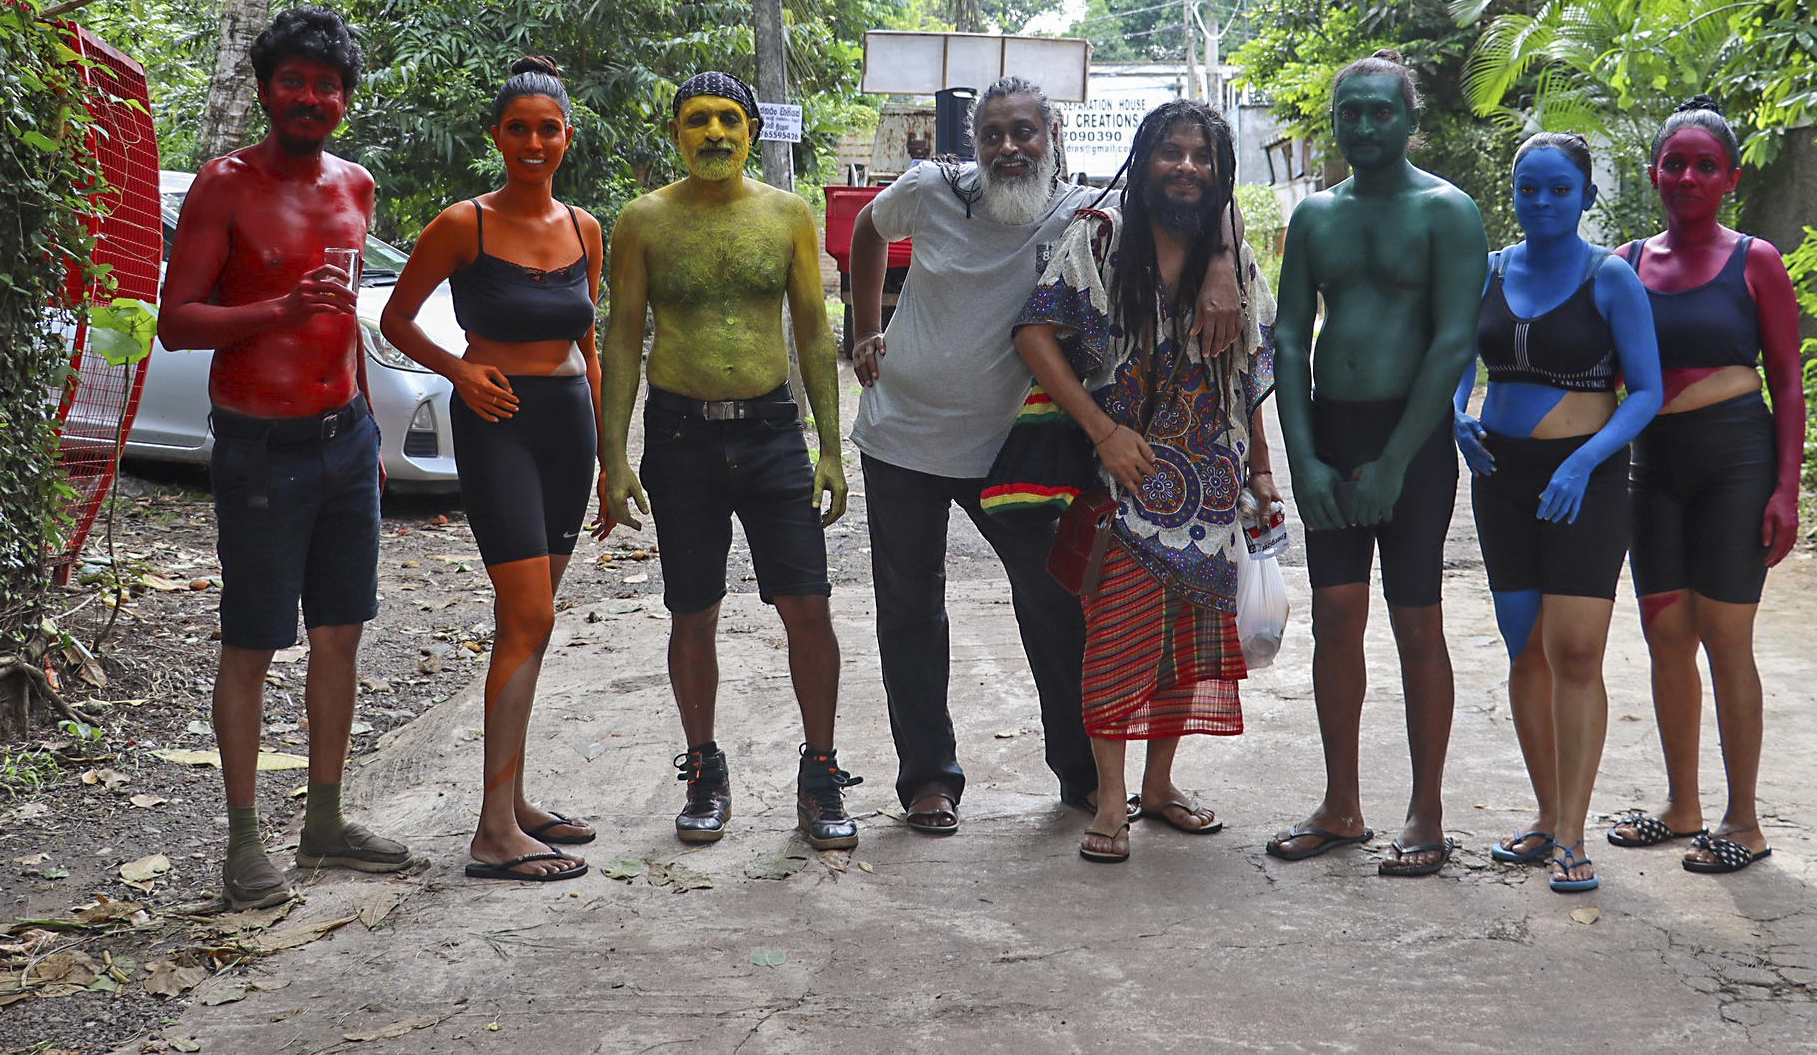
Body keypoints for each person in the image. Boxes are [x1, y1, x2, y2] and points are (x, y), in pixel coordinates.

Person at [847, 77, 1244, 835]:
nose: (1009, 147)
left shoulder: (1083, 210)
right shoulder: (929, 188)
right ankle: (929, 781)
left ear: (1051, 136)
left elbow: (1193, 183)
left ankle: (1084, 778)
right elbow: (868, 229)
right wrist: (866, 325)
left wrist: (1222, 257)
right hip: (903, 438)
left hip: (1016, 450)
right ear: (973, 142)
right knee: (909, 612)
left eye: (1024, 132)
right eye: (993, 134)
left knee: (1058, 604)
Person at [157, 8, 412, 909]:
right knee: (254, 641)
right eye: (295, 82)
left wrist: (370, 428)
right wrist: (275, 311)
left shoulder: (357, 184)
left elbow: (342, 324)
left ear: (345, 99)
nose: (312, 98)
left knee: (340, 635)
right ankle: (242, 843)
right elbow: (176, 321)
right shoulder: (223, 188)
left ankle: (327, 820)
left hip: (345, 438)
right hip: (259, 445)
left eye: (328, 85)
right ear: (267, 89)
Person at [599, 72, 859, 850]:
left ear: (751, 130)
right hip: (680, 437)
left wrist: (830, 448)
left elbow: (814, 331)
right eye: (696, 121)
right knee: (692, 610)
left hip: (772, 432)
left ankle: (819, 774)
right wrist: (614, 459)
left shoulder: (785, 216)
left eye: (727, 121)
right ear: (675, 132)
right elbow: (620, 337)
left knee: (807, 605)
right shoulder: (643, 221)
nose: (713, 133)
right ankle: (704, 770)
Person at [1014, 99, 1279, 864]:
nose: (1187, 167)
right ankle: (1108, 797)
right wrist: (1103, 430)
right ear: (1145, 158)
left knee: (1187, 647)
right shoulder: (1099, 238)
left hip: (1214, 485)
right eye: (1172, 152)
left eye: (1203, 156)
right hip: (1125, 482)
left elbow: (1248, 369)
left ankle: (1159, 787)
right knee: (1116, 643)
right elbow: (1035, 335)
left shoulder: (1232, 255)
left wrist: (1260, 469)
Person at [380, 57, 607, 883]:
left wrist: (615, 457)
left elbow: (588, 339)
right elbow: (396, 319)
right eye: (520, 128)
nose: (535, 142)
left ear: (566, 137)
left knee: (535, 621)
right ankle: (491, 831)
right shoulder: (462, 224)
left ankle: (512, 802)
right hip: (497, 425)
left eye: (549, 128)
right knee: (526, 612)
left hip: (569, 426)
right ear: (497, 137)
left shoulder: (586, 228)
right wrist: (458, 369)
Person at [1268, 49, 1489, 877]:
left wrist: (1397, 460)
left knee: (1416, 621)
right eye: (1349, 112)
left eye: (1379, 111)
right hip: (1332, 431)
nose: (1363, 125)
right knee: (1335, 620)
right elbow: (1289, 338)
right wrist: (1306, 459)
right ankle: (1341, 803)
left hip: (1415, 439)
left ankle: (1426, 811)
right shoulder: (1316, 218)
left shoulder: (1447, 212)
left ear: (1408, 118)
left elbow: (1452, 341)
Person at [1451, 133, 1662, 894]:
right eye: (1527, 189)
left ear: (1587, 198)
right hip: (1502, 479)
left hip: (1589, 480)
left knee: (1575, 651)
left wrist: (1584, 459)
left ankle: (1574, 832)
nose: (1541, 203)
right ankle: (1545, 815)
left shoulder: (1612, 278)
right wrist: (1456, 416)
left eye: (1558, 191)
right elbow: (1456, 364)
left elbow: (1645, 392)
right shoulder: (1490, 271)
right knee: (1525, 649)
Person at [1607, 96, 1804, 875]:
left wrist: (1786, 489)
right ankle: (1681, 805)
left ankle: (1744, 819)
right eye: (1675, 163)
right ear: (1656, 173)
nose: (1687, 176)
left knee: (1726, 640)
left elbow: (1787, 381)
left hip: (1734, 462)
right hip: (1653, 469)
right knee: (1665, 638)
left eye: (1705, 165)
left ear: (1730, 178)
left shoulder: (1756, 260)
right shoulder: (1625, 264)